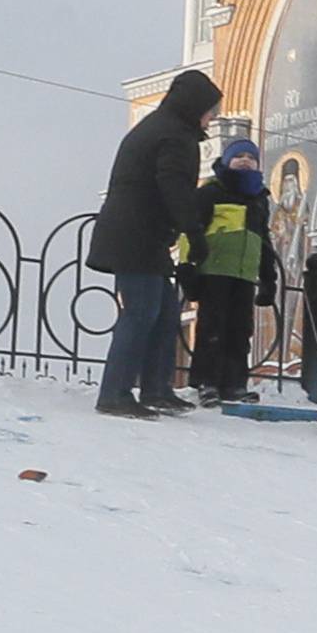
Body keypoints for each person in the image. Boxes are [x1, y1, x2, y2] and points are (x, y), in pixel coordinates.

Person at [87, 69, 219, 417]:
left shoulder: (164, 127)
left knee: (163, 311)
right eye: (211, 111)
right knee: (142, 311)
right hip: (134, 234)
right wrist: (193, 231)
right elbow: (174, 187)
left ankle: (156, 388)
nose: (211, 120)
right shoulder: (174, 136)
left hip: (142, 234)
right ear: (195, 106)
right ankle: (115, 392)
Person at [182, 140, 280, 404]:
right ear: (227, 161)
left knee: (240, 329)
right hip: (215, 269)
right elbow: (192, 229)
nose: (245, 160)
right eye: (239, 156)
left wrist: (268, 278)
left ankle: (235, 383)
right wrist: (187, 266)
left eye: (251, 156)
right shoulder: (212, 192)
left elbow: (263, 239)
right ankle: (207, 381)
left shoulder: (259, 198)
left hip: (244, 273)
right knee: (212, 326)